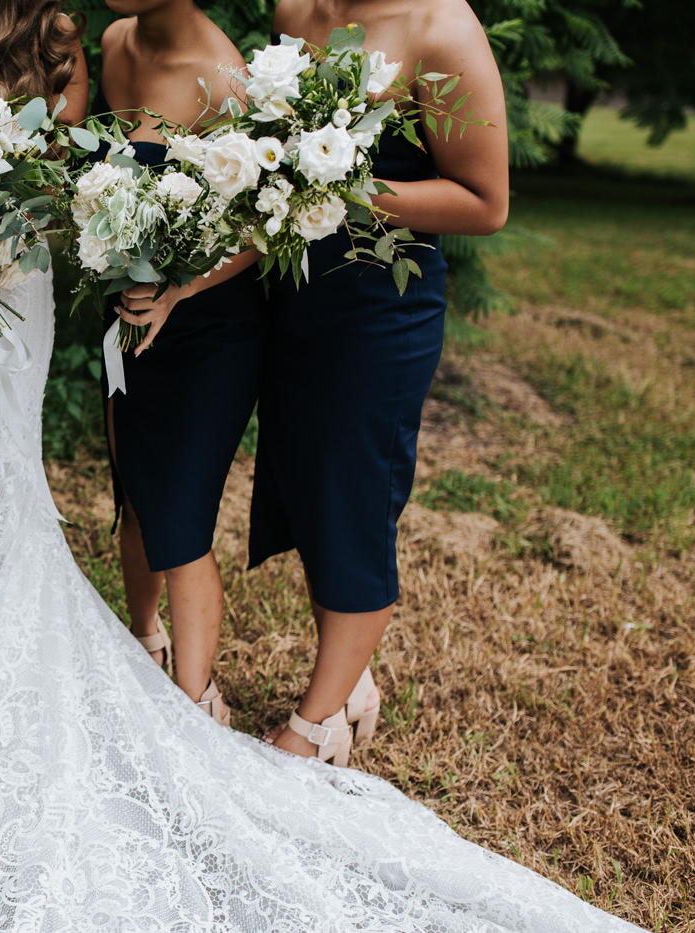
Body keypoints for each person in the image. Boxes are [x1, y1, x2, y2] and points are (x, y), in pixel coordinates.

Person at [0, 4, 640, 931]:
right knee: (41, 481)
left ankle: (283, 698)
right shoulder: (55, 35)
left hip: (102, 298)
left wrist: (239, 232)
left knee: (147, 489)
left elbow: (149, 190)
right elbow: (75, 180)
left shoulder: (138, 48)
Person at [249, 0, 511, 766]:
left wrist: (343, 189)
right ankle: (353, 680)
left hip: (382, 308)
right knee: (305, 484)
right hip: (297, 295)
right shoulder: (294, 7)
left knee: (355, 497)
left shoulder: (441, 28)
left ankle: (316, 722)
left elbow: (486, 204)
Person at [96, 0, 268, 723]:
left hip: (211, 327)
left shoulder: (226, 81)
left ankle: (197, 704)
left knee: (183, 515)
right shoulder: (111, 44)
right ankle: (145, 634)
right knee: (134, 491)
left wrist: (178, 289)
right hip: (129, 315)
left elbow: (266, 225)